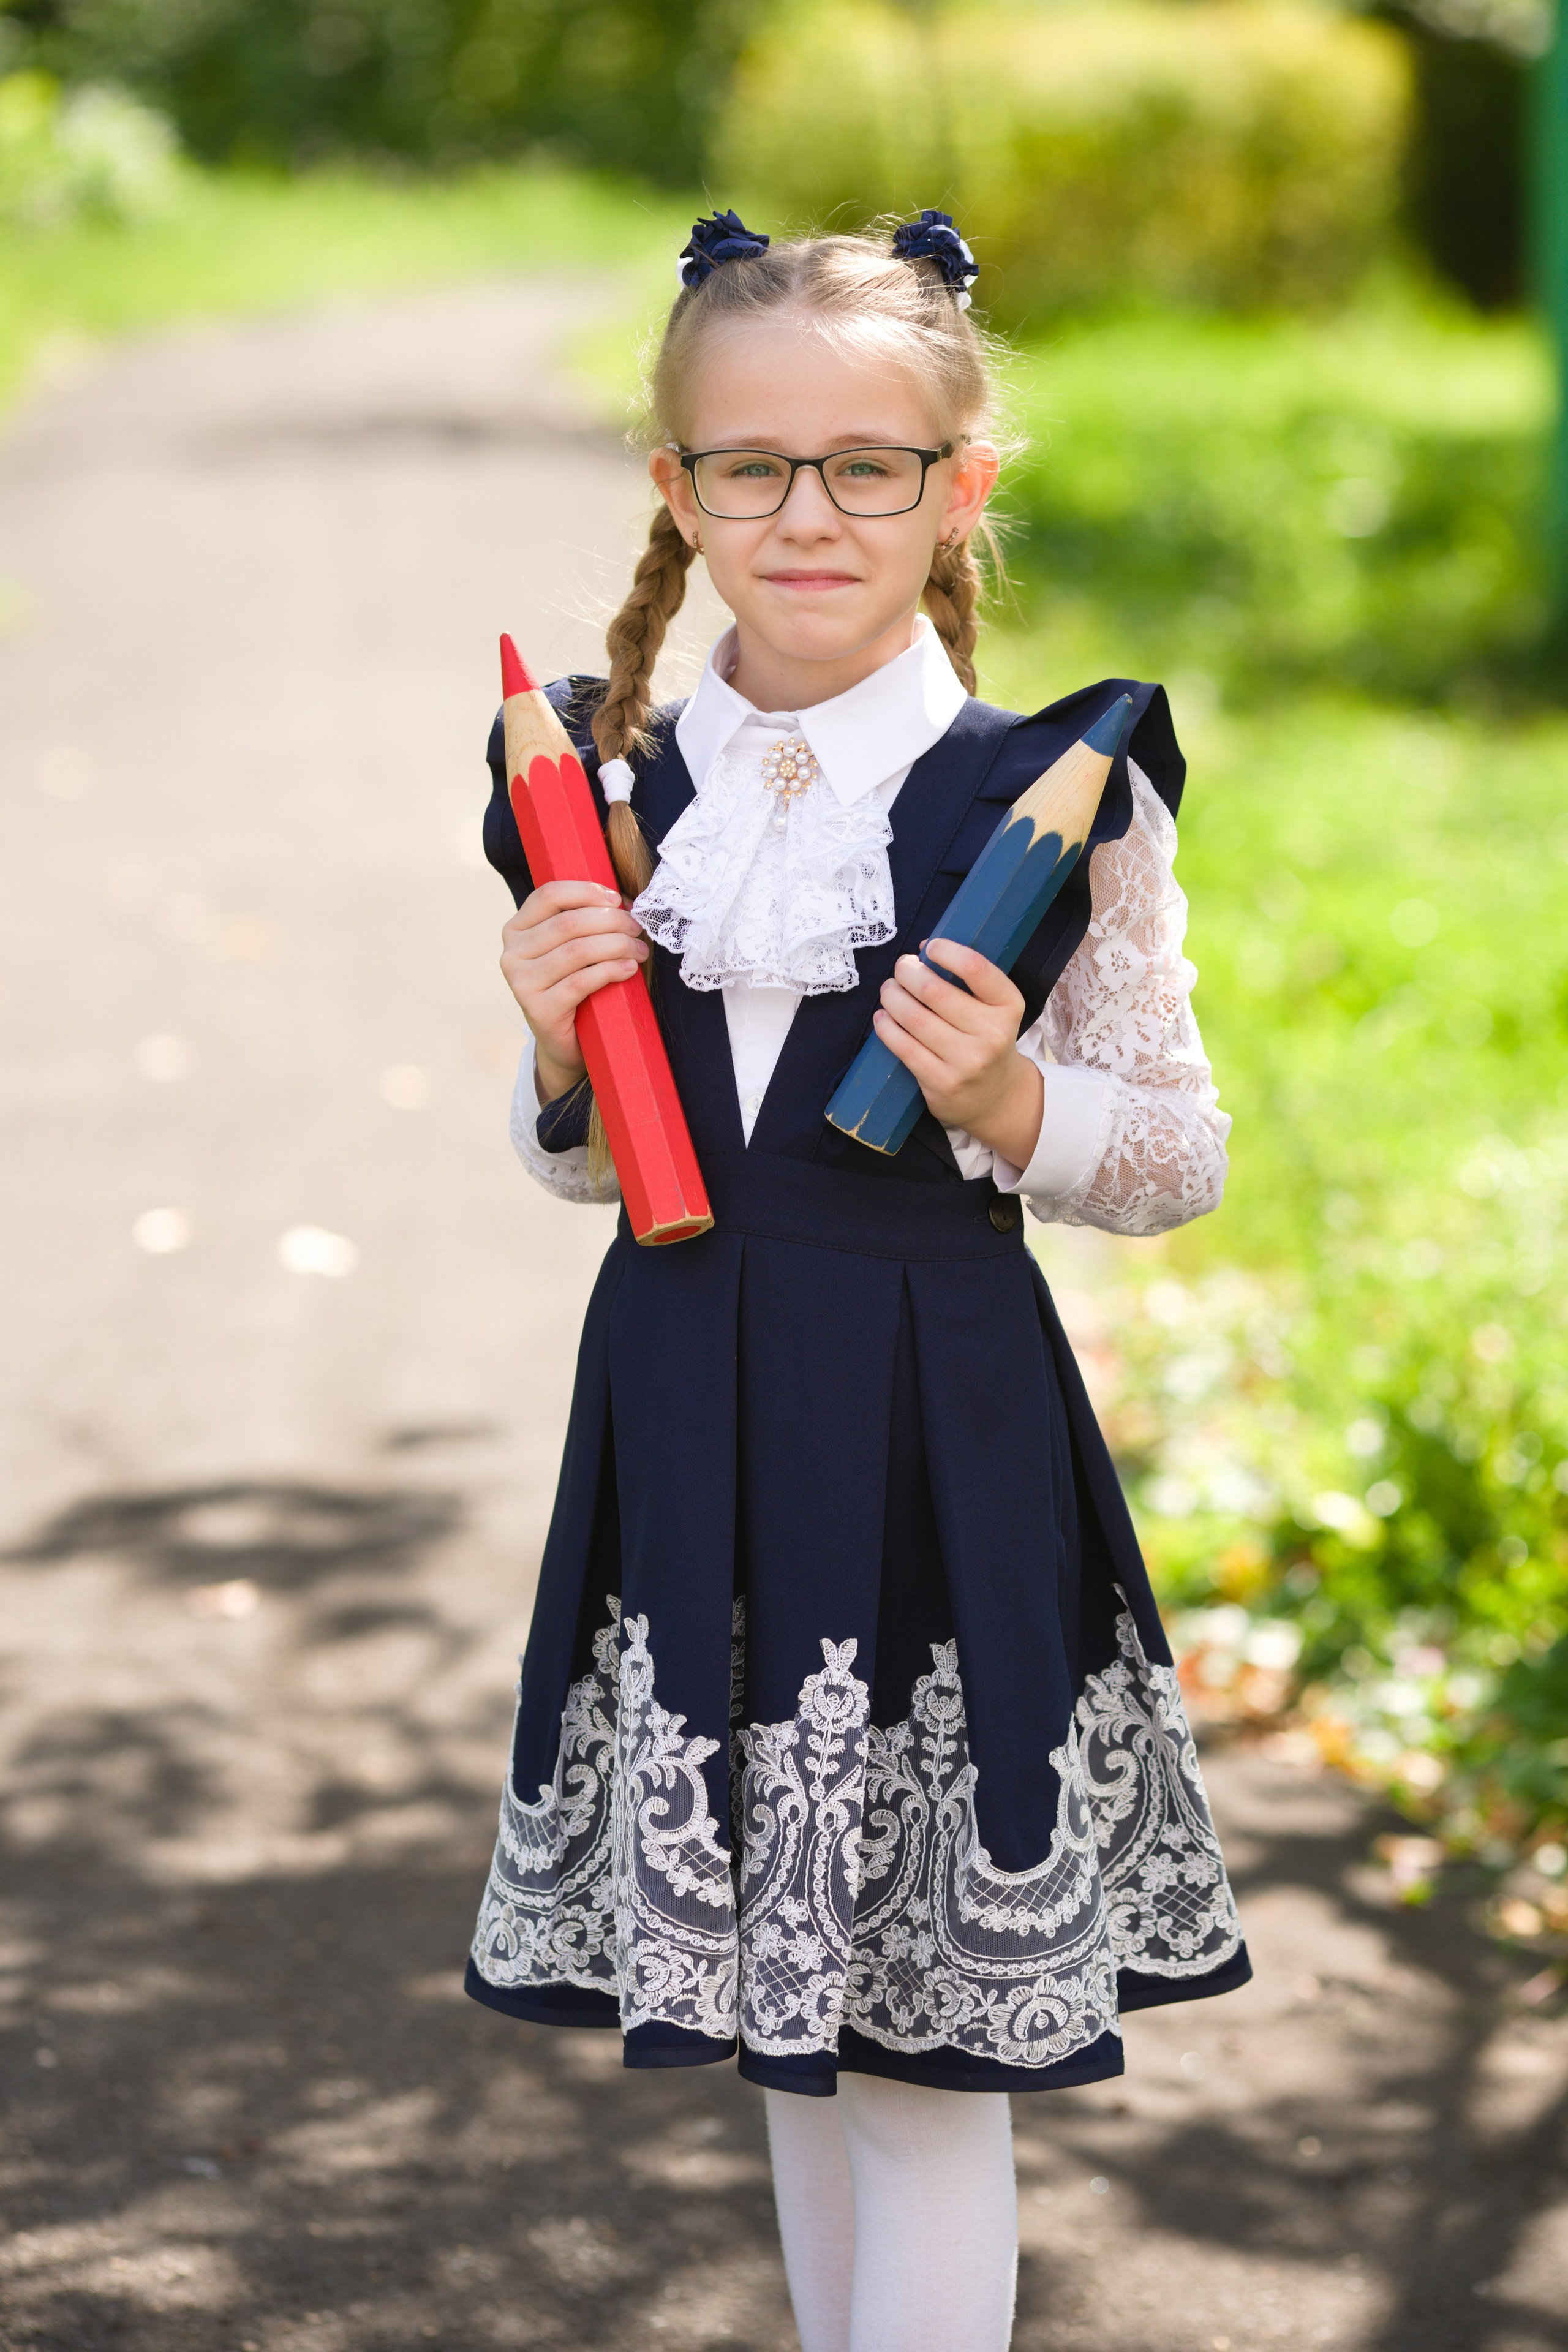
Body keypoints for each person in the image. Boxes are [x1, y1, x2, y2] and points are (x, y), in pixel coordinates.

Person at [466, 208, 1249, 2352]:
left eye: (866, 466)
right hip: (685, 1409)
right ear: (678, 490)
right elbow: (586, 1173)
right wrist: (557, 1051)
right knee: (787, 2045)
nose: (807, 513)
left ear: (957, 487)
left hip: (927, 1430)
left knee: (920, 2070)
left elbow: (1175, 1157)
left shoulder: (1045, 791)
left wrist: (1006, 1103)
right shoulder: (609, 788)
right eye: (750, 467)